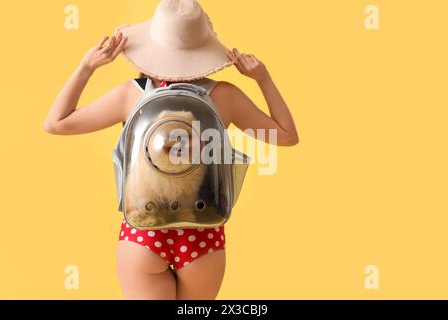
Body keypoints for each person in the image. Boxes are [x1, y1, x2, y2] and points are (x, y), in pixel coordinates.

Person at [43, 0, 299, 300]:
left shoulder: (131, 95)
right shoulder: (224, 96)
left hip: (143, 235)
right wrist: (263, 78)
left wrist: (86, 67)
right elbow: (286, 135)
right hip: (203, 237)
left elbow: (56, 123)